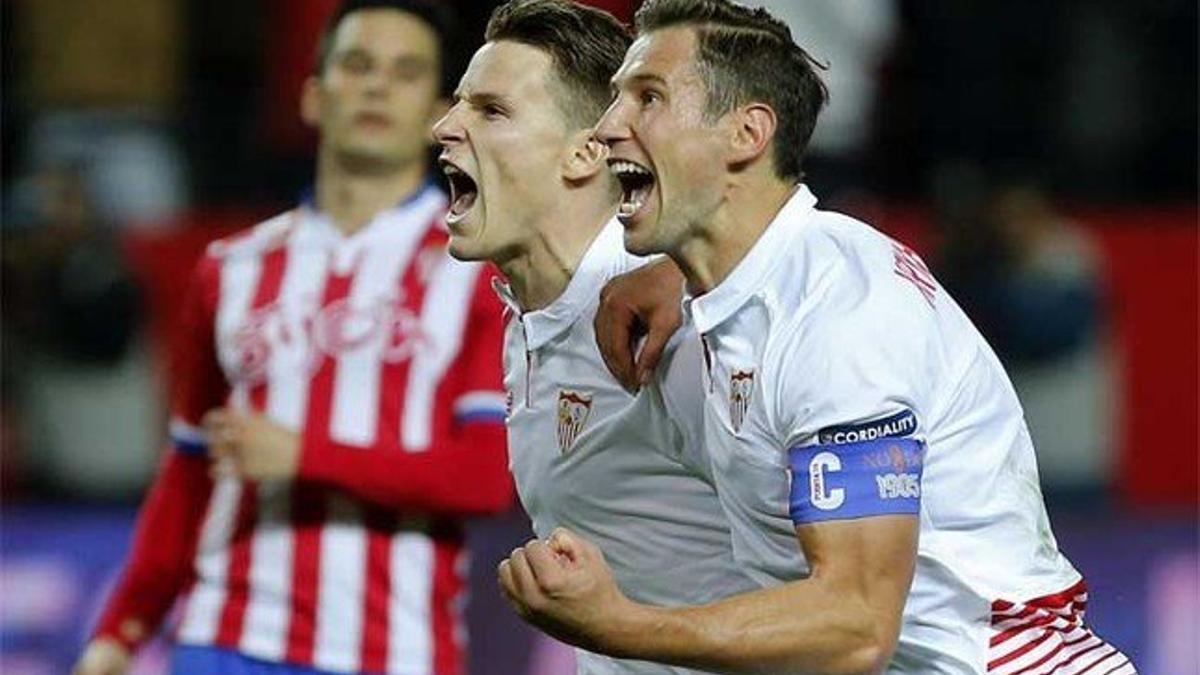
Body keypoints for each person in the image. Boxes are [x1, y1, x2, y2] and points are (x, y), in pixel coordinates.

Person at [498, 0, 1136, 673]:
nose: (608, 127)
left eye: (647, 97)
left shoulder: (840, 319)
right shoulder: (736, 288)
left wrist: (619, 622)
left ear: (746, 133)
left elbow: (856, 626)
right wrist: (679, 274)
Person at [73, 2, 513, 674]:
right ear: (313, 96)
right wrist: (118, 633)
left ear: (438, 114)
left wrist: (305, 452)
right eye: (357, 65)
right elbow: (189, 468)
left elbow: (483, 478)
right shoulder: (231, 265)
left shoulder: (477, 267)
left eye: (404, 72)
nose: (376, 87)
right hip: (225, 638)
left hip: (393, 649)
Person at [432, 1, 755, 673]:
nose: (445, 126)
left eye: (491, 111)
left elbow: (831, 566)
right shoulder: (530, 314)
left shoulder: (675, 317)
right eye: (460, 104)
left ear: (585, 151)